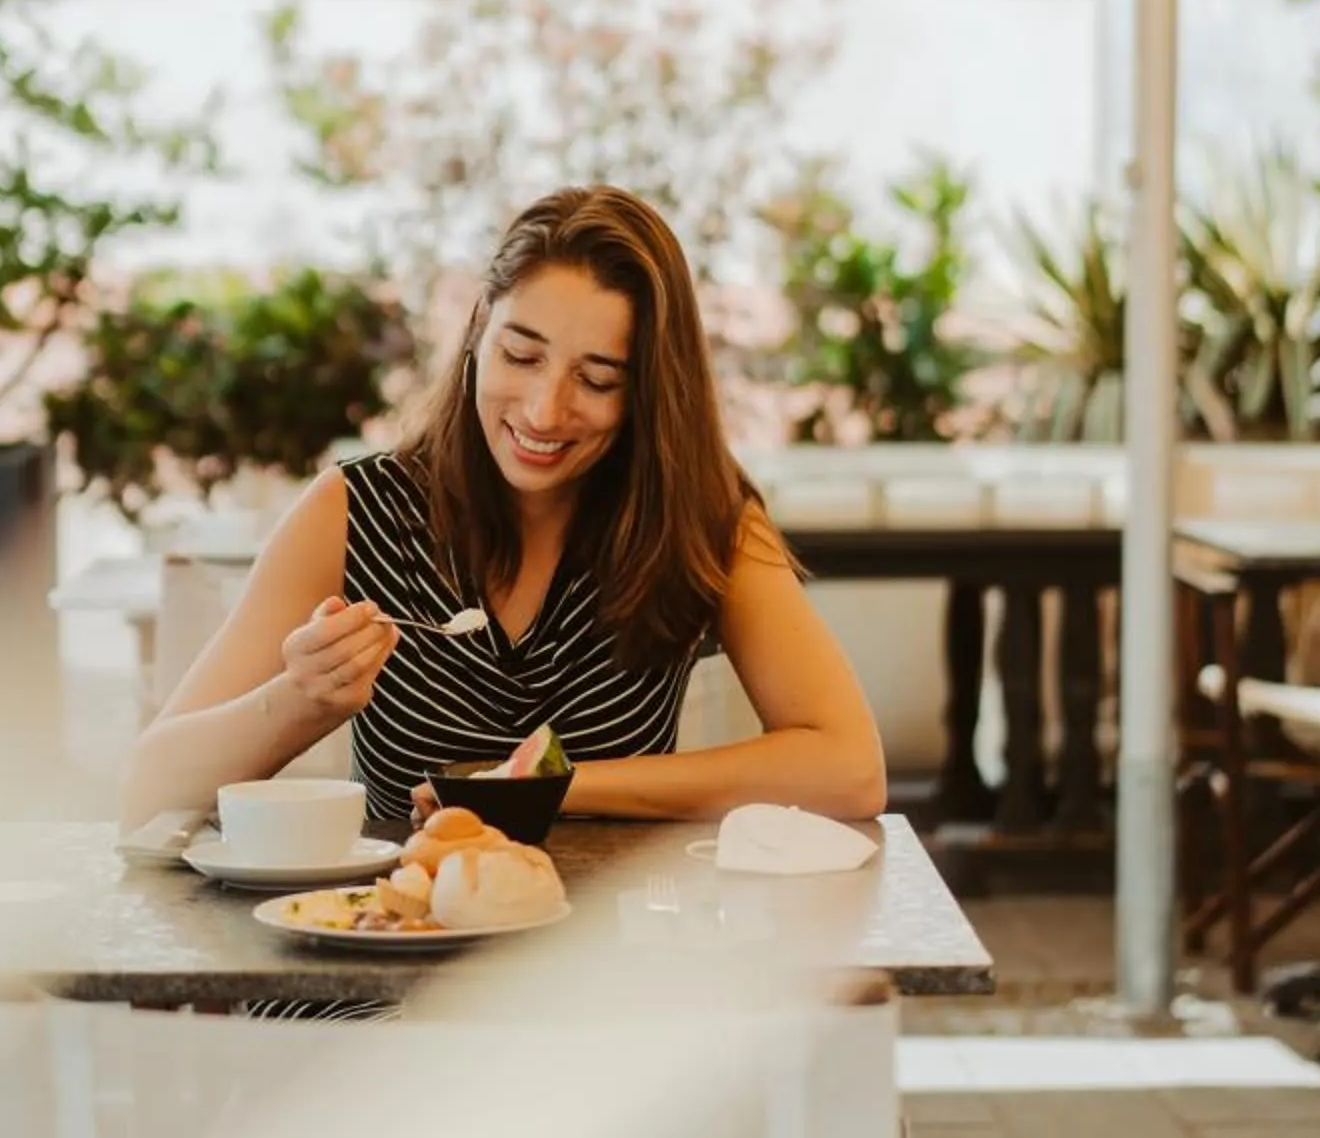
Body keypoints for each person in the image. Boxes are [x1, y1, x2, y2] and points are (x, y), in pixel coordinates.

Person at [120, 185, 886, 839]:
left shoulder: (699, 520)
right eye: (522, 356)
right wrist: (294, 702)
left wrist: (559, 786)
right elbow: (148, 789)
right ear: (479, 332)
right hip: (383, 954)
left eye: (598, 378)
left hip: (595, 979)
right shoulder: (355, 512)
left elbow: (850, 768)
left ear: (649, 392)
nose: (546, 410)